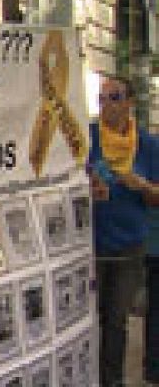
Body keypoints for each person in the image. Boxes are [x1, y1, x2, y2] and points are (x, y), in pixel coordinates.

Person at [88, 76, 159, 386]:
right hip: (90, 243)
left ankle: (112, 381)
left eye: (114, 97)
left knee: (116, 320)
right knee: (91, 319)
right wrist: (88, 188)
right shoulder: (89, 138)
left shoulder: (148, 145)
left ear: (130, 103)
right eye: (102, 99)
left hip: (129, 245)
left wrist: (142, 186)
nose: (107, 105)